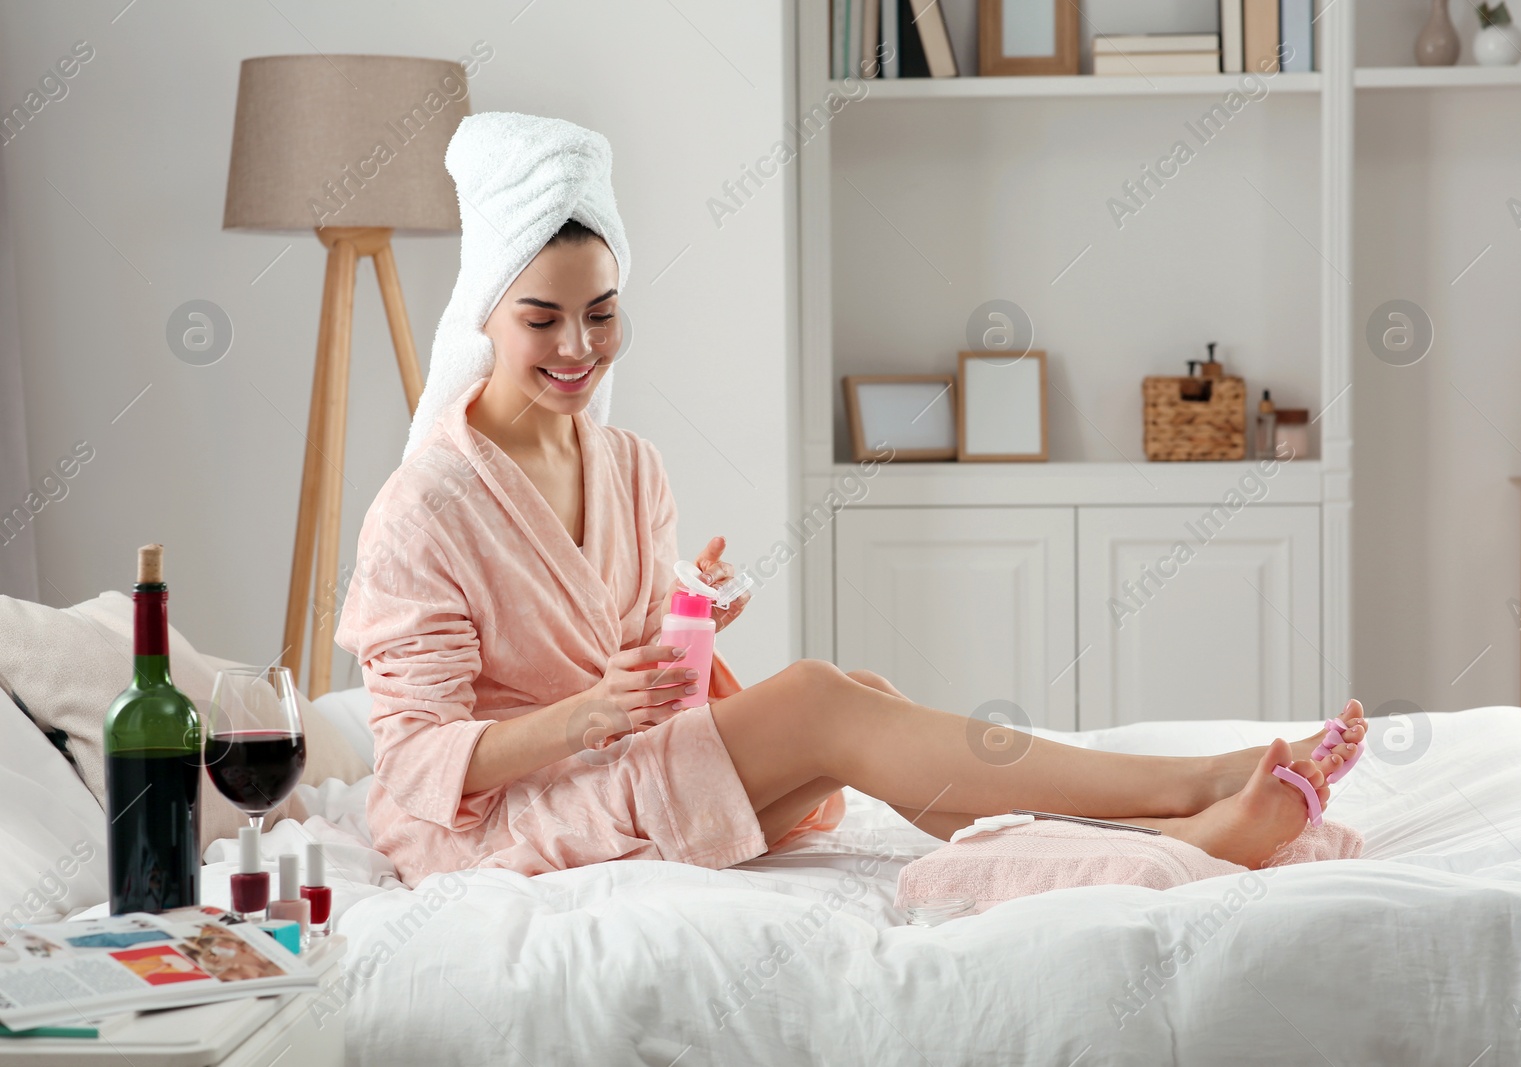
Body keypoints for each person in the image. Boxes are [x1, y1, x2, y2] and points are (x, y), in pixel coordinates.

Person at [335, 113, 1367, 888]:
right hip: (496, 818)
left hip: (607, 758)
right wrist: (591, 710)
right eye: (541, 319)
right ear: (488, 314)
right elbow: (419, 757)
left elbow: (636, 655)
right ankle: (1185, 788)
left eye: (602, 314)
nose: (578, 349)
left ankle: (1156, 842)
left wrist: (688, 611)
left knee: (853, 689)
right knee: (826, 699)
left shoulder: (629, 464)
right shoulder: (423, 505)